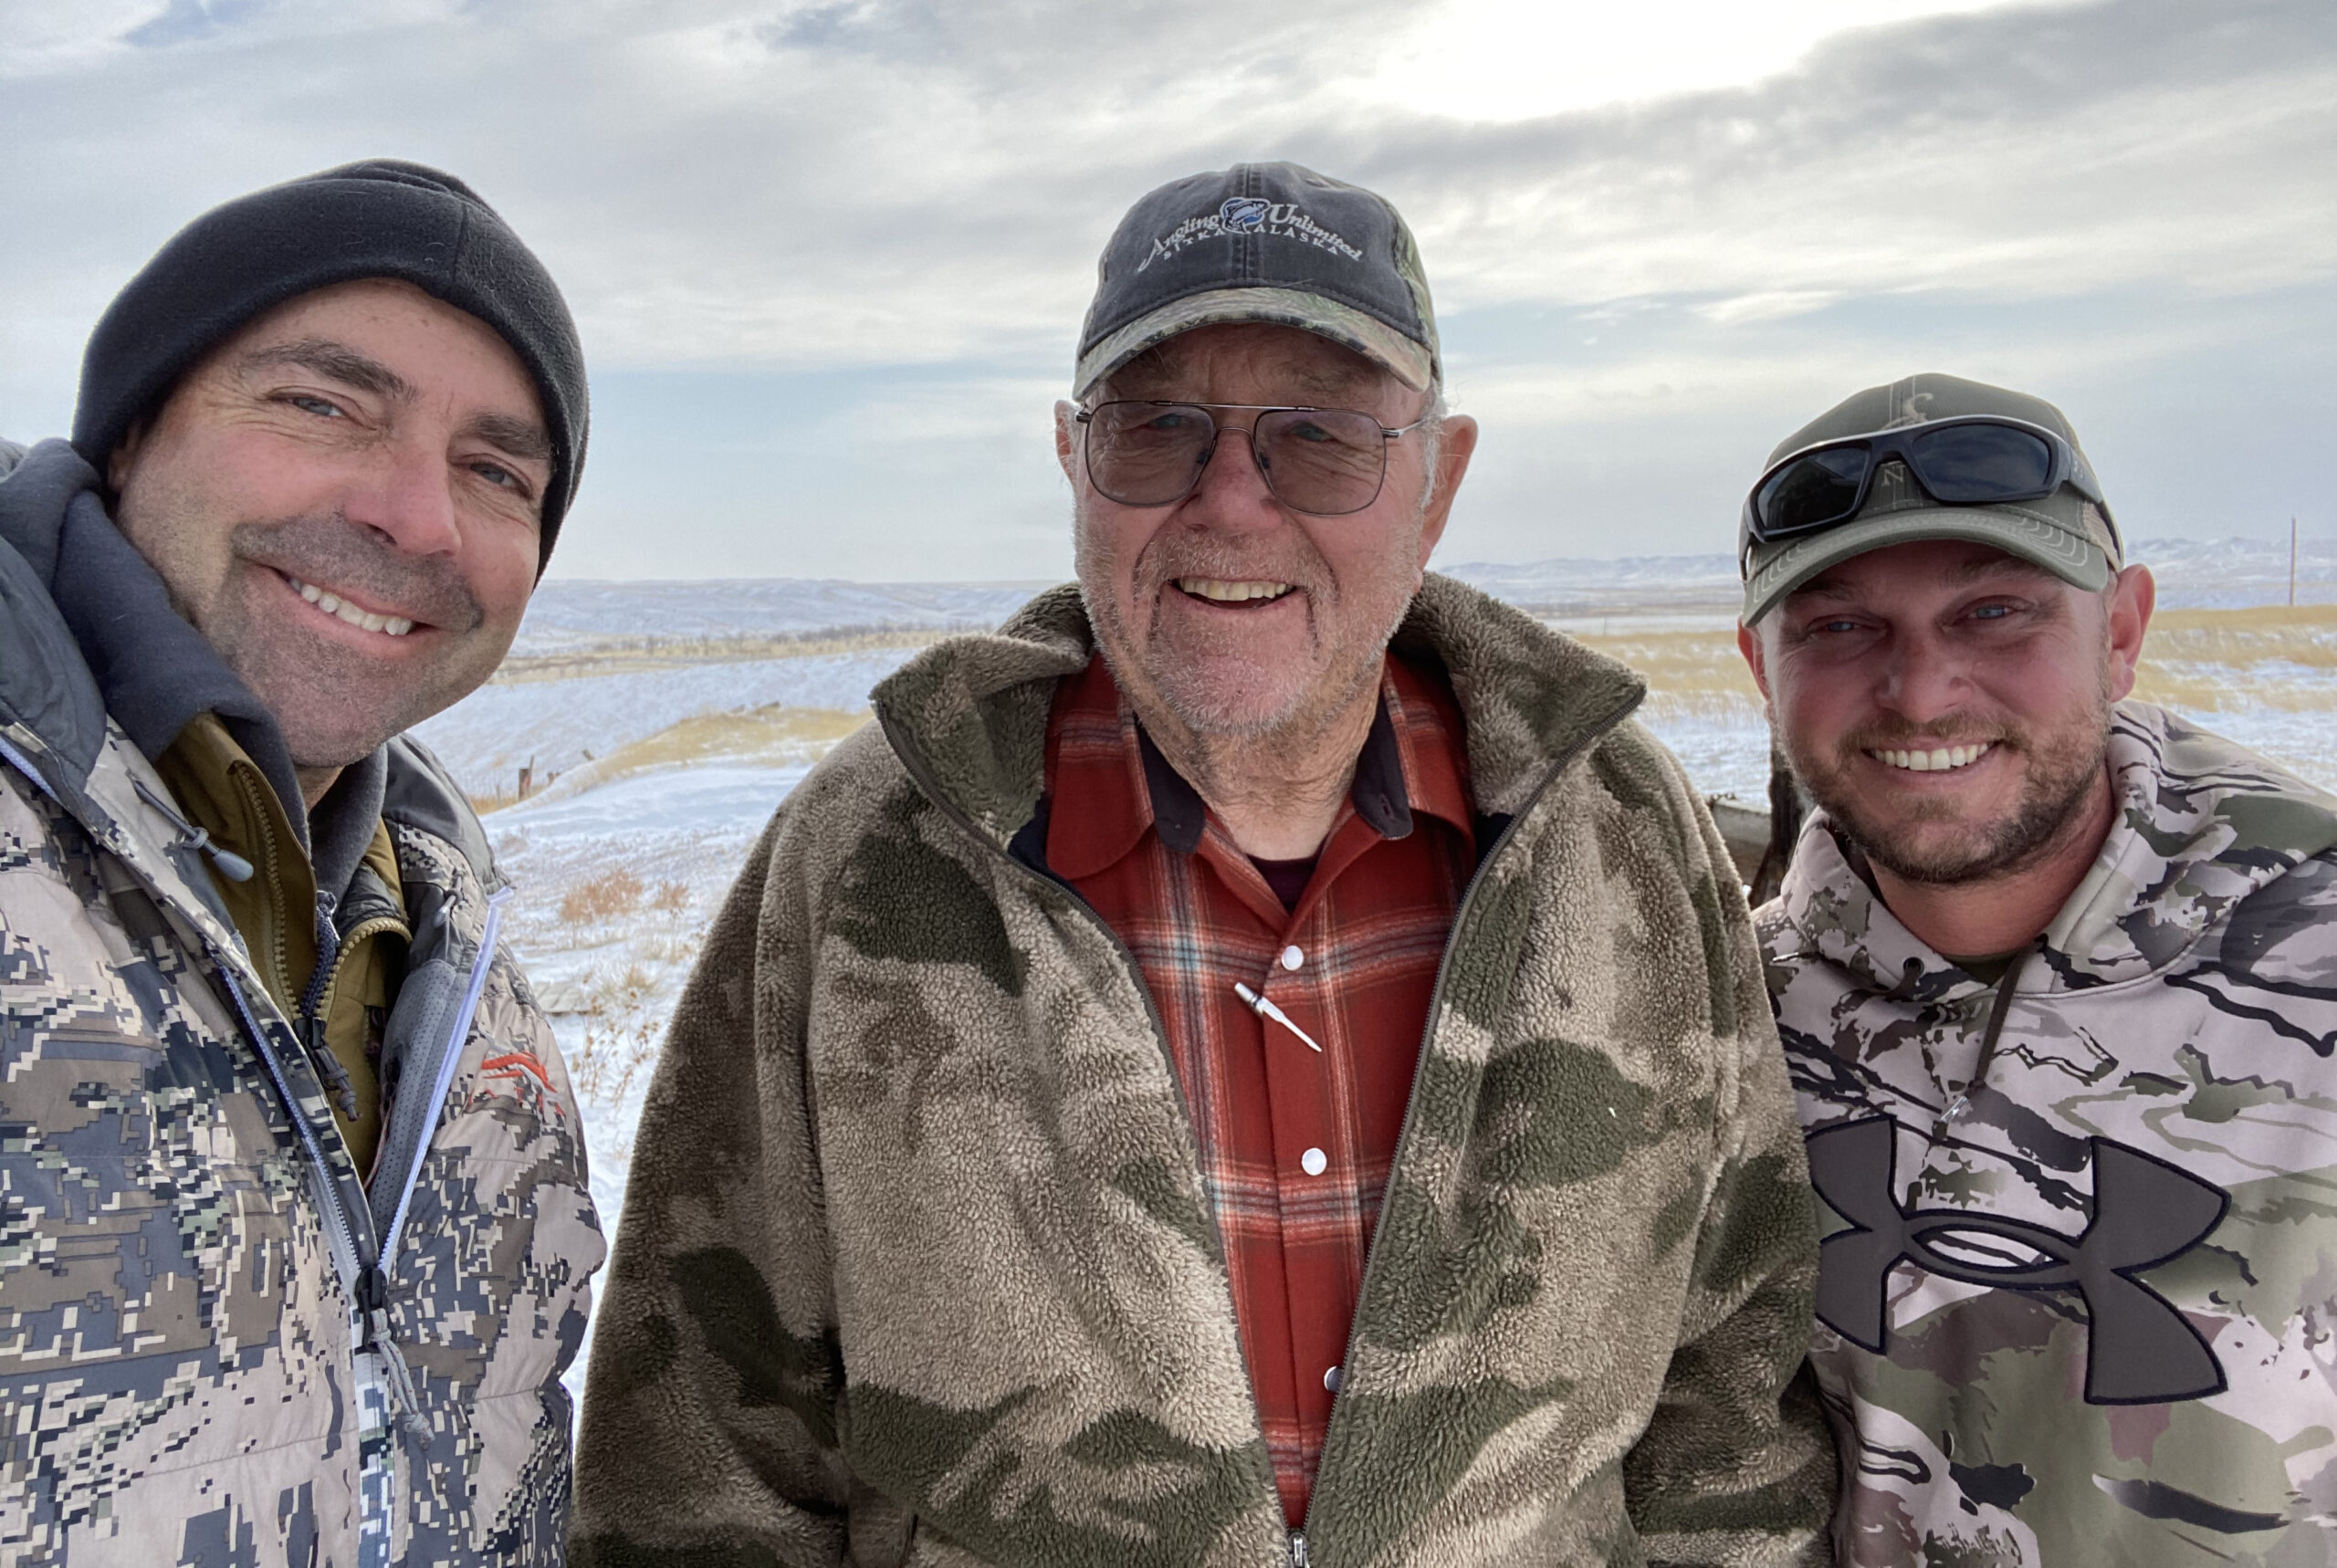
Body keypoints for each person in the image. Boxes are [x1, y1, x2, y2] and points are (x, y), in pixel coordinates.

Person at [575, 161, 1829, 1566]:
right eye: (1157, 428)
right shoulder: (874, 856)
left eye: (1324, 436)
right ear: (1072, 460)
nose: (1233, 501)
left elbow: (1735, 1378)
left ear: (1440, 479)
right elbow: (699, 1453)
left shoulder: (1616, 835)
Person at [0, 161, 603, 1565]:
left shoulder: (459, 975)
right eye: (324, 403)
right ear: (138, 426)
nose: (415, 514)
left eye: (496, 470)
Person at [1738, 372, 2337, 1563]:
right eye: (1840, 626)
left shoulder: (2313, 960)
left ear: (2120, 632)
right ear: (1762, 672)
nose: (1920, 690)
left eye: (1995, 611)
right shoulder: (1721, 1017)